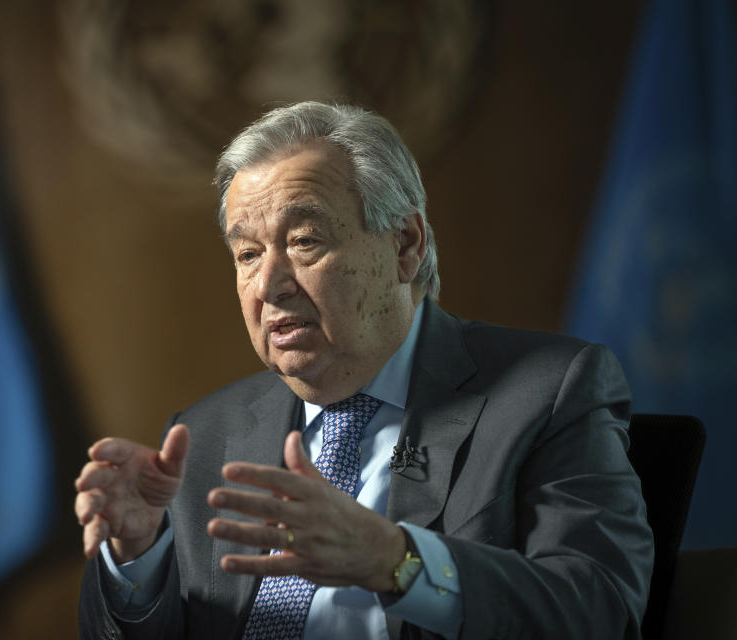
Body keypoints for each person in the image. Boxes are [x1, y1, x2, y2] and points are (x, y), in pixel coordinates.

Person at [75, 102, 653, 640]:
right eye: (248, 254)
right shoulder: (202, 436)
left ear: (405, 244)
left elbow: (600, 609)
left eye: (303, 241)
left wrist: (393, 560)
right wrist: (137, 551)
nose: (269, 285)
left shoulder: (546, 393)